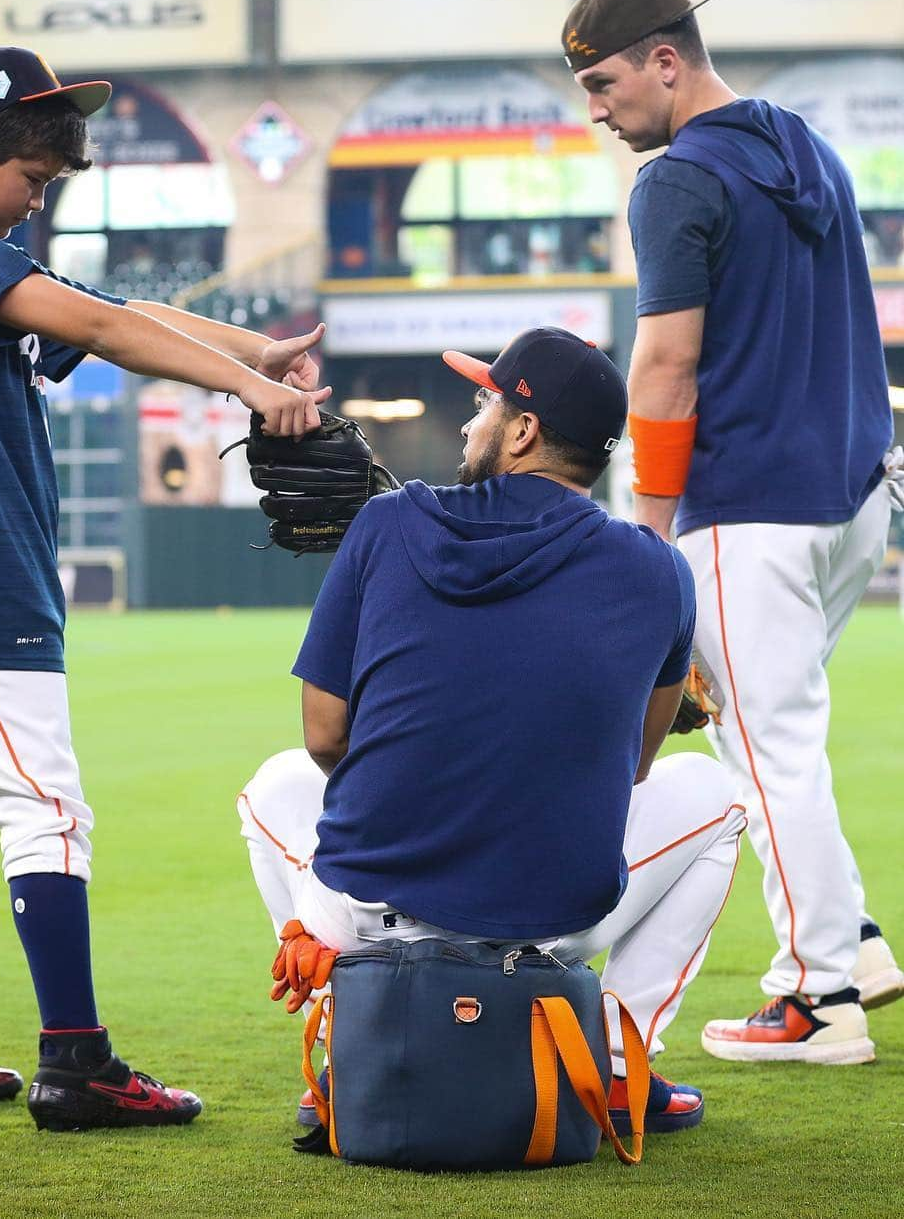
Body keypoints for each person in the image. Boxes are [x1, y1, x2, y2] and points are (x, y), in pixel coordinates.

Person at [0, 46, 330, 1131]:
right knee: (48, 808)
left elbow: (107, 308)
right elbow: (107, 328)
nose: (34, 203)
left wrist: (259, 347)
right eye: (30, 179)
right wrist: (255, 390)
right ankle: (77, 1062)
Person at [238, 327, 748, 1137]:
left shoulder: (388, 525)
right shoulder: (660, 571)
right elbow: (637, 767)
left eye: (486, 402)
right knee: (717, 796)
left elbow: (326, 737)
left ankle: (359, 1038)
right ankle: (616, 1067)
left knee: (273, 786)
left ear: (522, 432)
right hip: (553, 917)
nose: (473, 418)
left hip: (370, 912)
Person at [562, 0, 904, 1064]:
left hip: (747, 503)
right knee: (782, 731)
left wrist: (645, 535)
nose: (598, 107)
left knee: (769, 752)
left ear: (668, 58)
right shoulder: (802, 141)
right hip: (852, 496)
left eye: (607, 82)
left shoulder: (671, 183)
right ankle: (852, 940)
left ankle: (816, 1002)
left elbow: (664, 366)